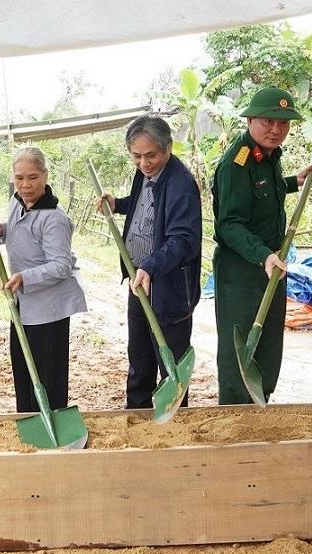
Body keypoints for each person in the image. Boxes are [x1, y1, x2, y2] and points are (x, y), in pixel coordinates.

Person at [211, 86, 312, 405]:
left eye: (283, 123)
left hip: (272, 264)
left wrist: (292, 183)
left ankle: (259, 405)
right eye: (268, 122)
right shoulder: (236, 162)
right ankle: (233, 413)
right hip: (242, 271)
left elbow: (261, 193)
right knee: (240, 348)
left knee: (269, 344)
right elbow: (229, 224)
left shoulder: (269, 157)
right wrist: (263, 255)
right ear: (250, 121)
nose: (276, 130)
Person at [97, 114, 202, 409]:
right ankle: (137, 414)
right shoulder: (144, 174)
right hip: (139, 280)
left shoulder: (181, 184)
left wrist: (150, 266)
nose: (144, 163)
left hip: (169, 289)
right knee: (140, 357)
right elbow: (144, 206)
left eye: (151, 155)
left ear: (168, 147)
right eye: (137, 156)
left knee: (171, 364)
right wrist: (118, 204)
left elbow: (183, 240)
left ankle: (173, 420)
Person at [0, 147, 87, 412]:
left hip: (48, 310)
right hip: (23, 304)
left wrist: (24, 277)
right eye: (19, 178)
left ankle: (53, 426)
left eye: (32, 177)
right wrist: (1, 230)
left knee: (48, 374)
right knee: (24, 368)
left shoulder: (54, 218)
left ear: (45, 176)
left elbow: (62, 266)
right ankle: (29, 419)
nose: (25, 185)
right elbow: (21, 235)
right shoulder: (16, 203)